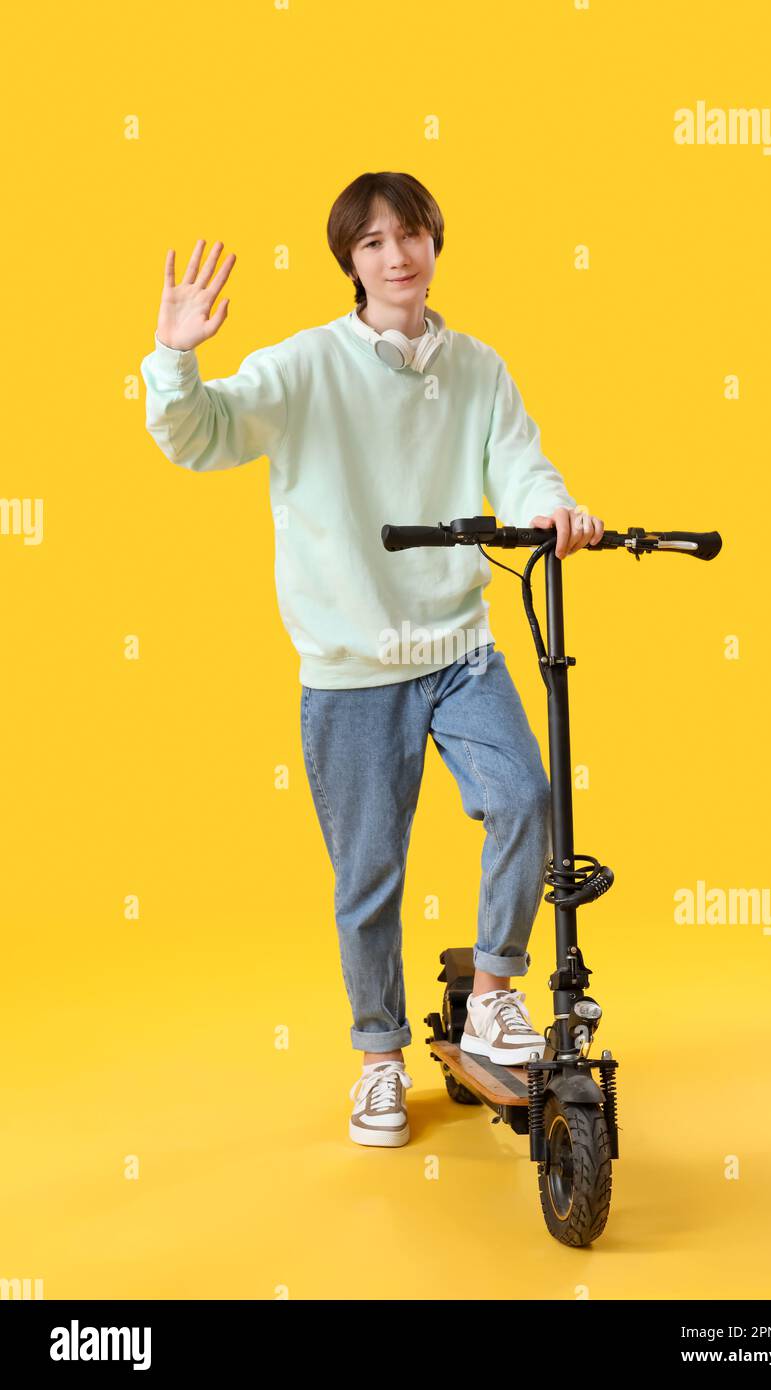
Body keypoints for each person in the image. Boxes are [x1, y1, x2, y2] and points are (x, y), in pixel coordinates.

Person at [140, 171, 604, 1149]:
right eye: (374, 243)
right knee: (368, 873)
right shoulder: (306, 365)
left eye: (413, 236)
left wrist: (549, 506)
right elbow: (200, 435)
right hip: (352, 664)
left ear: (436, 243)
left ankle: (491, 995)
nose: (398, 257)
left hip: (456, 647)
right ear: (349, 263)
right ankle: (379, 1058)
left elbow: (517, 459)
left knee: (526, 795)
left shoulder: (475, 366)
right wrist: (175, 359)